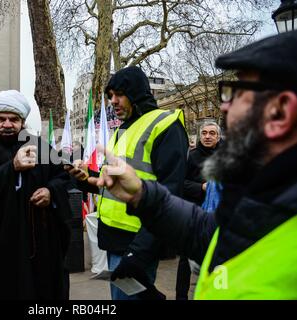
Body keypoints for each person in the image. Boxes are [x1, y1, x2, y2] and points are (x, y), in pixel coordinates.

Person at [89, 30, 297, 299]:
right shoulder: (263, 188)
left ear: (280, 111)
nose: (223, 107)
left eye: (236, 93)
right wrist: (143, 194)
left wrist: (139, 251)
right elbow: (207, 233)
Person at [66, 66, 188, 300]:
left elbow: (171, 194)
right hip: (115, 238)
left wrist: (141, 249)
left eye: (118, 94)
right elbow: (113, 186)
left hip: (139, 241)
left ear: (136, 92)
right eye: (110, 96)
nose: (113, 101)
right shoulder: (122, 130)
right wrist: (86, 179)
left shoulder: (165, 125)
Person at [0, 90, 72, 300]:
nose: (7, 124)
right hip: (1, 244)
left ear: (22, 121)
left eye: (13, 119)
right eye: (1, 119)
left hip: (40, 244)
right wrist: (11, 167)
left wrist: (50, 192)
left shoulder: (40, 147)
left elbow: (63, 178)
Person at [176, 121, 221, 300]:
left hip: (219, 215)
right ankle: (181, 296)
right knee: (185, 258)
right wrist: (202, 187)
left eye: (212, 133)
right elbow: (181, 182)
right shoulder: (191, 157)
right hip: (193, 212)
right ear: (200, 135)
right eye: (204, 133)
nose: (208, 136)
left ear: (218, 137)